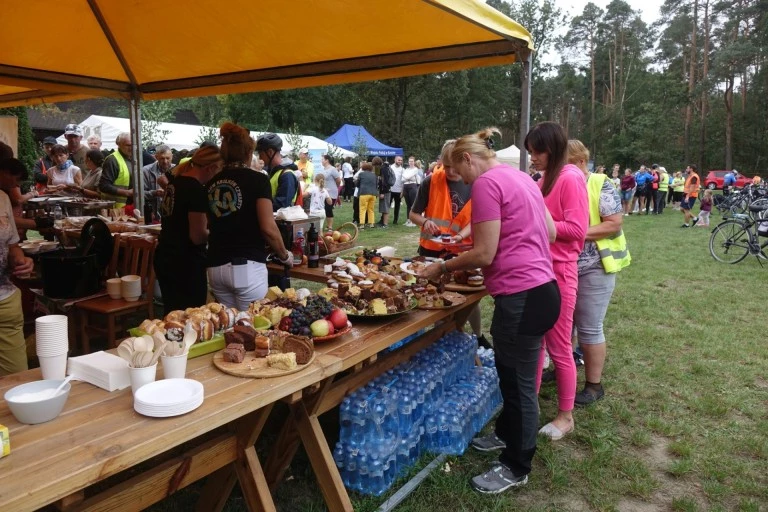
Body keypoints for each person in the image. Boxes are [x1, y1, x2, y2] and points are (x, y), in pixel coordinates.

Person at [419, 127, 559, 494]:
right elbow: (550, 233)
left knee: (519, 384)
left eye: (460, 172)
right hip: (542, 290)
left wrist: (443, 267)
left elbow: (484, 253)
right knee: (511, 374)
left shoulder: (486, 184)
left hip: (522, 297)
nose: (463, 182)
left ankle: (517, 464)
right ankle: (506, 434)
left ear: (468, 159)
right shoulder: (523, 178)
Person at [527, 121, 588, 440]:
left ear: (552, 149)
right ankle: (530, 403)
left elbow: (577, 230)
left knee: (559, 346)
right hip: (537, 271)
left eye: (536, 151)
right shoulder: (543, 179)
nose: (532, 157)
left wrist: (543, 222)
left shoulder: (570, 178)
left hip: (560, 273)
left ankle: (566, 416)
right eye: (530, 152)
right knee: (536, 343)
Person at [410, 139, 491, 349]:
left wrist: (460, 236)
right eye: (446, 167)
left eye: (454, 167)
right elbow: (413, 214)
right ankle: (441, 338)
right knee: (434, 296)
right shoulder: (430, 182)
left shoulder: (475, 181)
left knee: (468, 298)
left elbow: (476, 219)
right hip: (431, 251)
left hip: (462, 252)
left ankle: (477, 335)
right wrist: (425, 222)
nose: (451, 171)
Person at [567, 140, 630, 406]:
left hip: (595, 266)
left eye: (566, 165)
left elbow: (613, 225)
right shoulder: (558, 183)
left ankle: (594, 385)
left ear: (581, 161)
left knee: (589, 328)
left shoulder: (599, 183)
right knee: (563, 325)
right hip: (566, 266)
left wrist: (571, 233)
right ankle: (562, 369)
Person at [207, 123, 292, 311]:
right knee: (255, 328)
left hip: (215, 266)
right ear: (248, 153)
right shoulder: (258, 180)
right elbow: (268, 228)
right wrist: (285, 256)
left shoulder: (211, 183)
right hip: (246, 266)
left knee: (229, 329)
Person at [154, 146, 223, 315]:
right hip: (185, 263)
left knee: (171, 314)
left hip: (165, 255)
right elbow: (197, 236)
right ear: (211, 168)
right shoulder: (195, 190)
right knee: (190, 316)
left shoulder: (175, 183)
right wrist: (218, 234)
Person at [0, 158, 35, 375]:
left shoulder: (2, 198)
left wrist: (21, 260)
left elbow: (12, 246)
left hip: (5, 301)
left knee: (17, 379)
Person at [256, 133, 300, 211]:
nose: (260, 157)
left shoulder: (287, 175)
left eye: (260, 153)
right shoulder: (274, 172)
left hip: (281, 222)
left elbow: (282, 204)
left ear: (270, 152)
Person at [99, 132, 134, 208]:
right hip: (115, 209)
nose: (131, 148)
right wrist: (126, 193)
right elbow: (103, 186)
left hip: (131, 207)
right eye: (128, 145)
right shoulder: (112, 160)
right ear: (119, 144)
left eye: (133, 145)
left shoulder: (134, 159)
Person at [142, 144, 174, 220]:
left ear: (172, 157)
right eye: (162, 158)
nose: (165, 161)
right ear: (156, 157)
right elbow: (140, 194)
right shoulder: (146, 171)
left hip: (172, 215)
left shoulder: (178, 170)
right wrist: (154, 193)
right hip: (152, 215)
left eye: (167, 158)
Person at [319, 154, 341, 230]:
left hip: (331, 192)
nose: (321, 161)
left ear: (326, 160)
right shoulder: (323, 169)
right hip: (324, 192)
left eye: (322, 159)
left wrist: (335, 187)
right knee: (324, 209)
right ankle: (328, 225)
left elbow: (338, 180)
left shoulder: (333, 169)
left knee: (329, 208)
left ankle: (330, 227)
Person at [356, 162, 378, 228]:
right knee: (371, 209)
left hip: (364, 193)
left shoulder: (361, 174)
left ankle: (362, 224)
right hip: (373, 194)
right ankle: (371, 223)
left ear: (363, 168)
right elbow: (377, 185)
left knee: (362, 209)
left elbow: (357, 184)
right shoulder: (375, 175)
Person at [401, 156, 420, 226]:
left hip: (412, 186)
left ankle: (414, 221)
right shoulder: (406, 169)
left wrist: (406, 177)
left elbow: (406, 177)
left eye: (412, 161)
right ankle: (408, 220)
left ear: (414, 162)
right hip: (406, 186)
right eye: (409, 161)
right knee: (408, 204)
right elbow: (402, 179)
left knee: (413, 204)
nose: (411, 163)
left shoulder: (415, 169)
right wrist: (406, 177)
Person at [374, 156, 392, 228]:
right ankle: (382, 222)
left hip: (386, 191)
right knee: (383, 207)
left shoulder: (384, 169)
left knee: (385, 208)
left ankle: (385, 224)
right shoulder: (384, 168)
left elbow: (384, 182)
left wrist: (382, 192)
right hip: (385, 190)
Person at [389, 155, 404, 224]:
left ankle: (395, 220)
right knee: (387, 205)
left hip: (398, 190)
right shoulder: (390, 167)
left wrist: (402, 191)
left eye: (401, 160)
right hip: (390, 190)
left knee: (397, 206)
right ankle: (384, 219)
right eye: (398, 160)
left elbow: (403, 181)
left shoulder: (402, 169)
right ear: (395, 160)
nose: (400, 161)